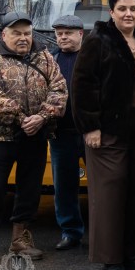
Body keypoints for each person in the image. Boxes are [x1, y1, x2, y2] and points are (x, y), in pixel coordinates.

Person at [0, 11, 67, 268]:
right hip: (1, 136)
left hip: (36, 136)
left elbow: (59, 89)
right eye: (16, 33)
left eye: (27, 33)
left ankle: (20, 239)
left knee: (30, 189)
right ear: (4, 35)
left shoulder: (45, 58)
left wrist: (42, 117)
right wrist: (23, 118)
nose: (23, 38)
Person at [72, 0, 135, 270]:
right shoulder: (98, 40)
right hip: (107, 128)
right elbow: (82, 85)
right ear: (111, 12)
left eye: (133, 8)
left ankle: (131, 253)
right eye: (122, 9)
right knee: (109, 193)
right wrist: (90, 126)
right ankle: (111, 258)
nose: (128, 14)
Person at [49, 15, 86, 252]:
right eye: (59, 33)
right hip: (61, 134)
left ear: (80, 34)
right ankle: (70, 232)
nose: (63, 37)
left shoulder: (92, 58)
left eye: (68, 33)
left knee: (101, 185)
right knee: (63, 187)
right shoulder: (50, 61)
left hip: (90, 133)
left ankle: (103, 233)